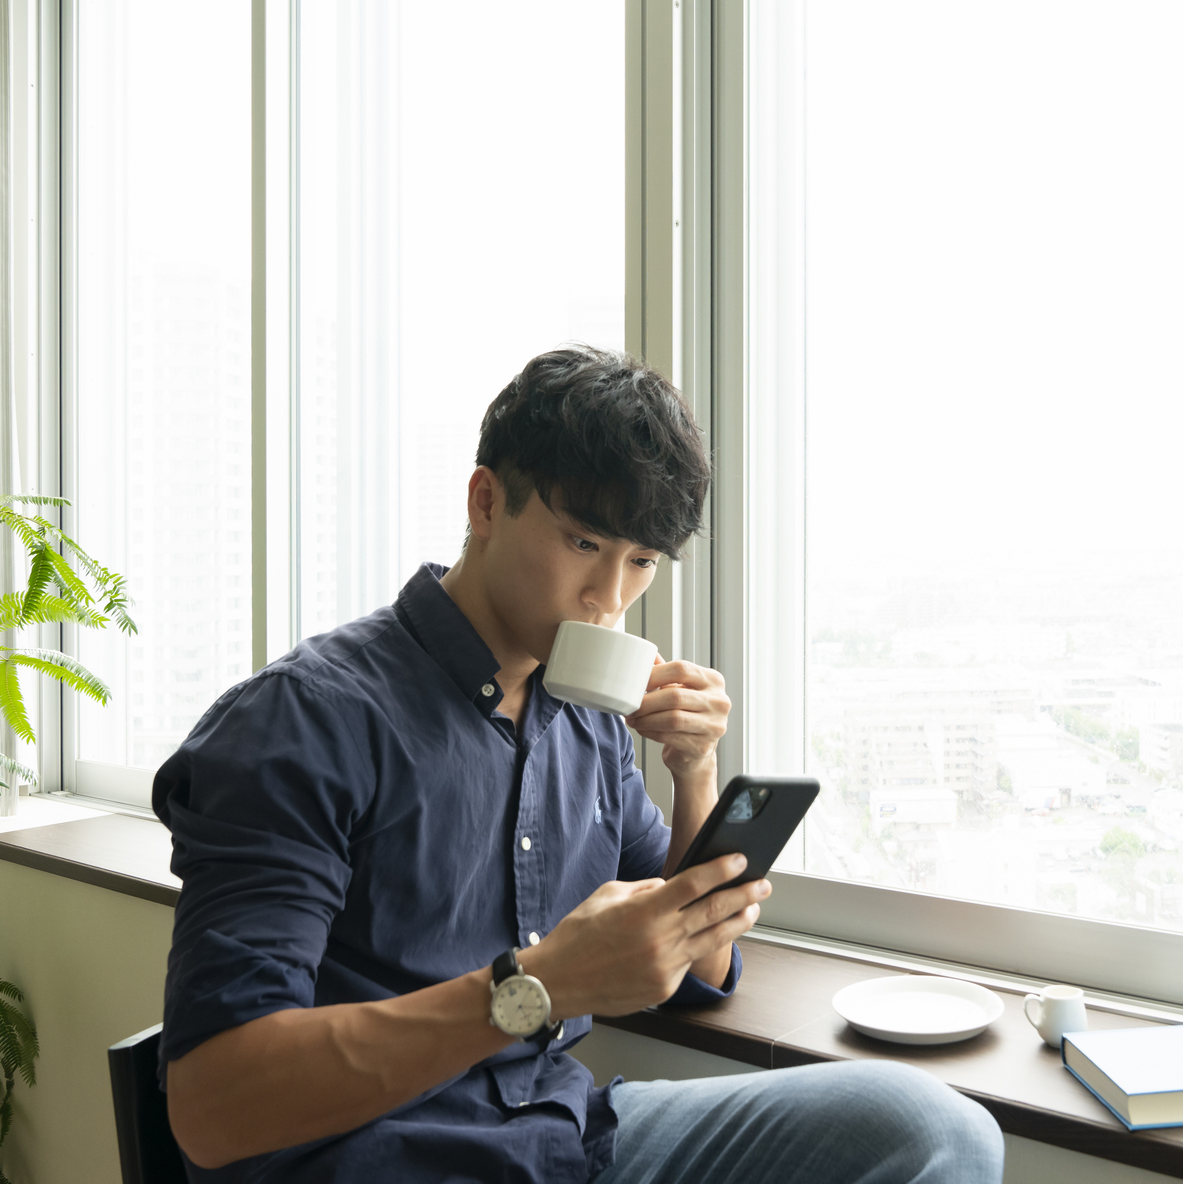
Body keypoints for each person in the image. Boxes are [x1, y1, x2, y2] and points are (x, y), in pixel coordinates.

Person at [154, 346, 1005, 1183]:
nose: (609, 597)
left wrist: (693, 768)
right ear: (486, 502)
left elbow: (696, 968)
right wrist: (539, 986)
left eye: (640, 561)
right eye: (582, 541)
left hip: (566, 1140)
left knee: (936, 1130)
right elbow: (214, 1105)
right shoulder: (302, 722)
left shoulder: (585, 718)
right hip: (383, 1156)